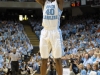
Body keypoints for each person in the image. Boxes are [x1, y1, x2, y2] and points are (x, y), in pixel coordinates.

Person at [36, 0, 64, 75]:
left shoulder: (58, 3)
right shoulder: (44, 2)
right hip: (45, 32)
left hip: (55, 32)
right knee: (44, 59)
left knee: (57, 59)